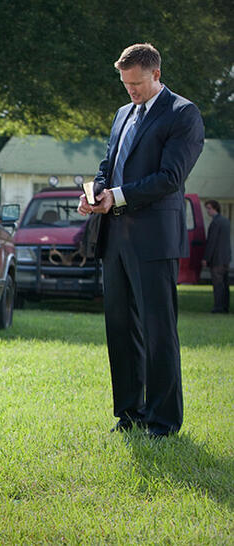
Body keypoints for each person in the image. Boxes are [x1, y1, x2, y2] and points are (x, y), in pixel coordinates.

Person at [77, 43, 205, 438]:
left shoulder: (183, 114)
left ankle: (163, 421)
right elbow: (109, 163)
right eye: (125, 84)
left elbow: (171, 177)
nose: (130, 92)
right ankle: (130, 413)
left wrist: (119, 195)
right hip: (114, 236)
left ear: (156, 75)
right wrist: (96, 192)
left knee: (157, 330)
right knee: (119, 327)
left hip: (154, 240)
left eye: (136, 84)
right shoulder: (122, 114)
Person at [202, 200, 230, 313]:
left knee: (218, 284)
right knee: (225, 284)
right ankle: (225, 306)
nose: (207, 211)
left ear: (214, 208)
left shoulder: (215, 223)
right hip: (226, 258)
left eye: (208, 208)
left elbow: (211, 242)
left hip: (217, 259)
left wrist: (206, 258)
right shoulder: (225, 221)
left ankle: (218, 307)